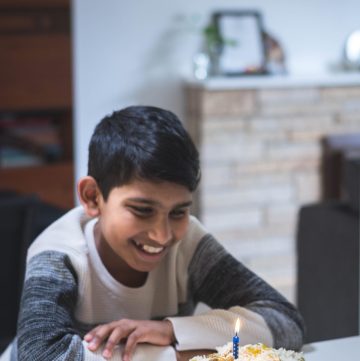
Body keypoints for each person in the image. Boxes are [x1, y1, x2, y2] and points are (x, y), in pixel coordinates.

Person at [1, 106, 304, 361]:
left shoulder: (188, 245)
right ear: (93, 197)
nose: (162, 235)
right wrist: (176, 353)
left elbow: (284, 321)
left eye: (178, 212)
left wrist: (172, 331)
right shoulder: (58, 253)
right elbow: (40, 356)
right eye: (142, 210)